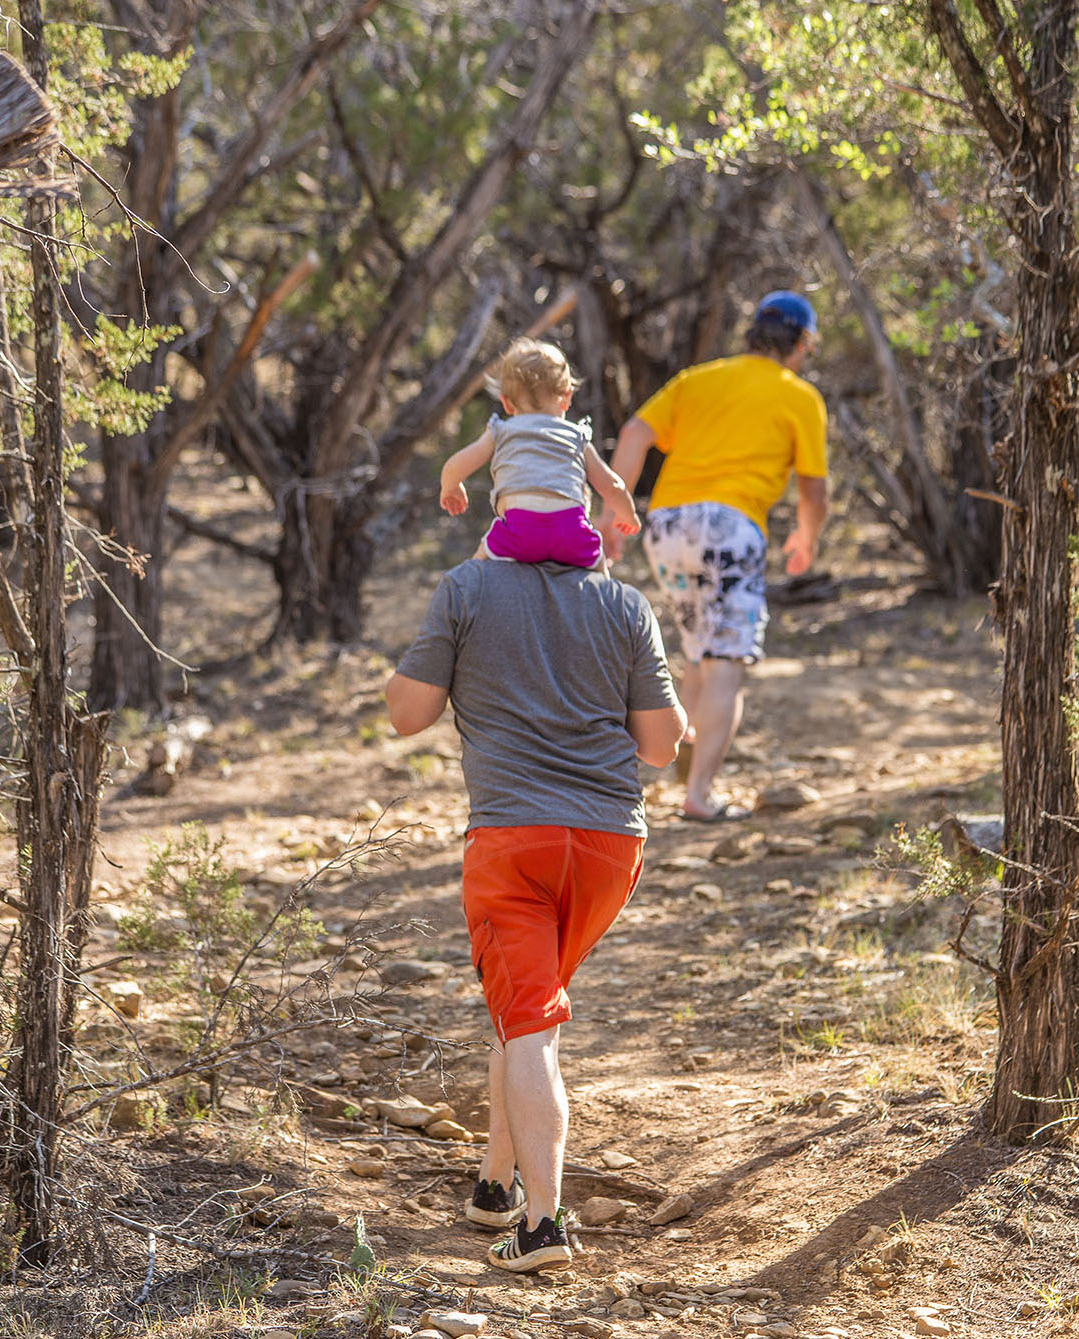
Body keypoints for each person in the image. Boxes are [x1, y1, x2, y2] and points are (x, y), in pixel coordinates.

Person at [385, 558, 685, 1272]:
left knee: (528, 1024)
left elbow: (405, 714)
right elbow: (664, 746)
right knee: (527, 1010)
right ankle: (496, 1182)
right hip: (611, 846)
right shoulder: (624, 602)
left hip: (514, 841)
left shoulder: (465, 588)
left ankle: (542, 1226)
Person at [600, 290, 829, 822]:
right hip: (730, 527)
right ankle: (699, 795)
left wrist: (613, 513)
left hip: (668, 526)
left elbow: (636, 432)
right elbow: (814, 493)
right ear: (800, 343)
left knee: (700, 655)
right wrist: (807, 538)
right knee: (726, 663)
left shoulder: (698, 379)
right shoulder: (798, 396)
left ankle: (677, 769)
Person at [439, 336, 640, 569]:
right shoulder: (576, 437)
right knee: (601, 570)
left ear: (506, 403)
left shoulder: (500, 432)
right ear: (567, 398)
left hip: (517, 531)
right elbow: (612, 486)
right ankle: (603, 599)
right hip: (570, 532)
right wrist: (628, 515)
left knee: (476, 566)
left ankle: (470, 595)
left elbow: (454, 466)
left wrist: (450, 487)